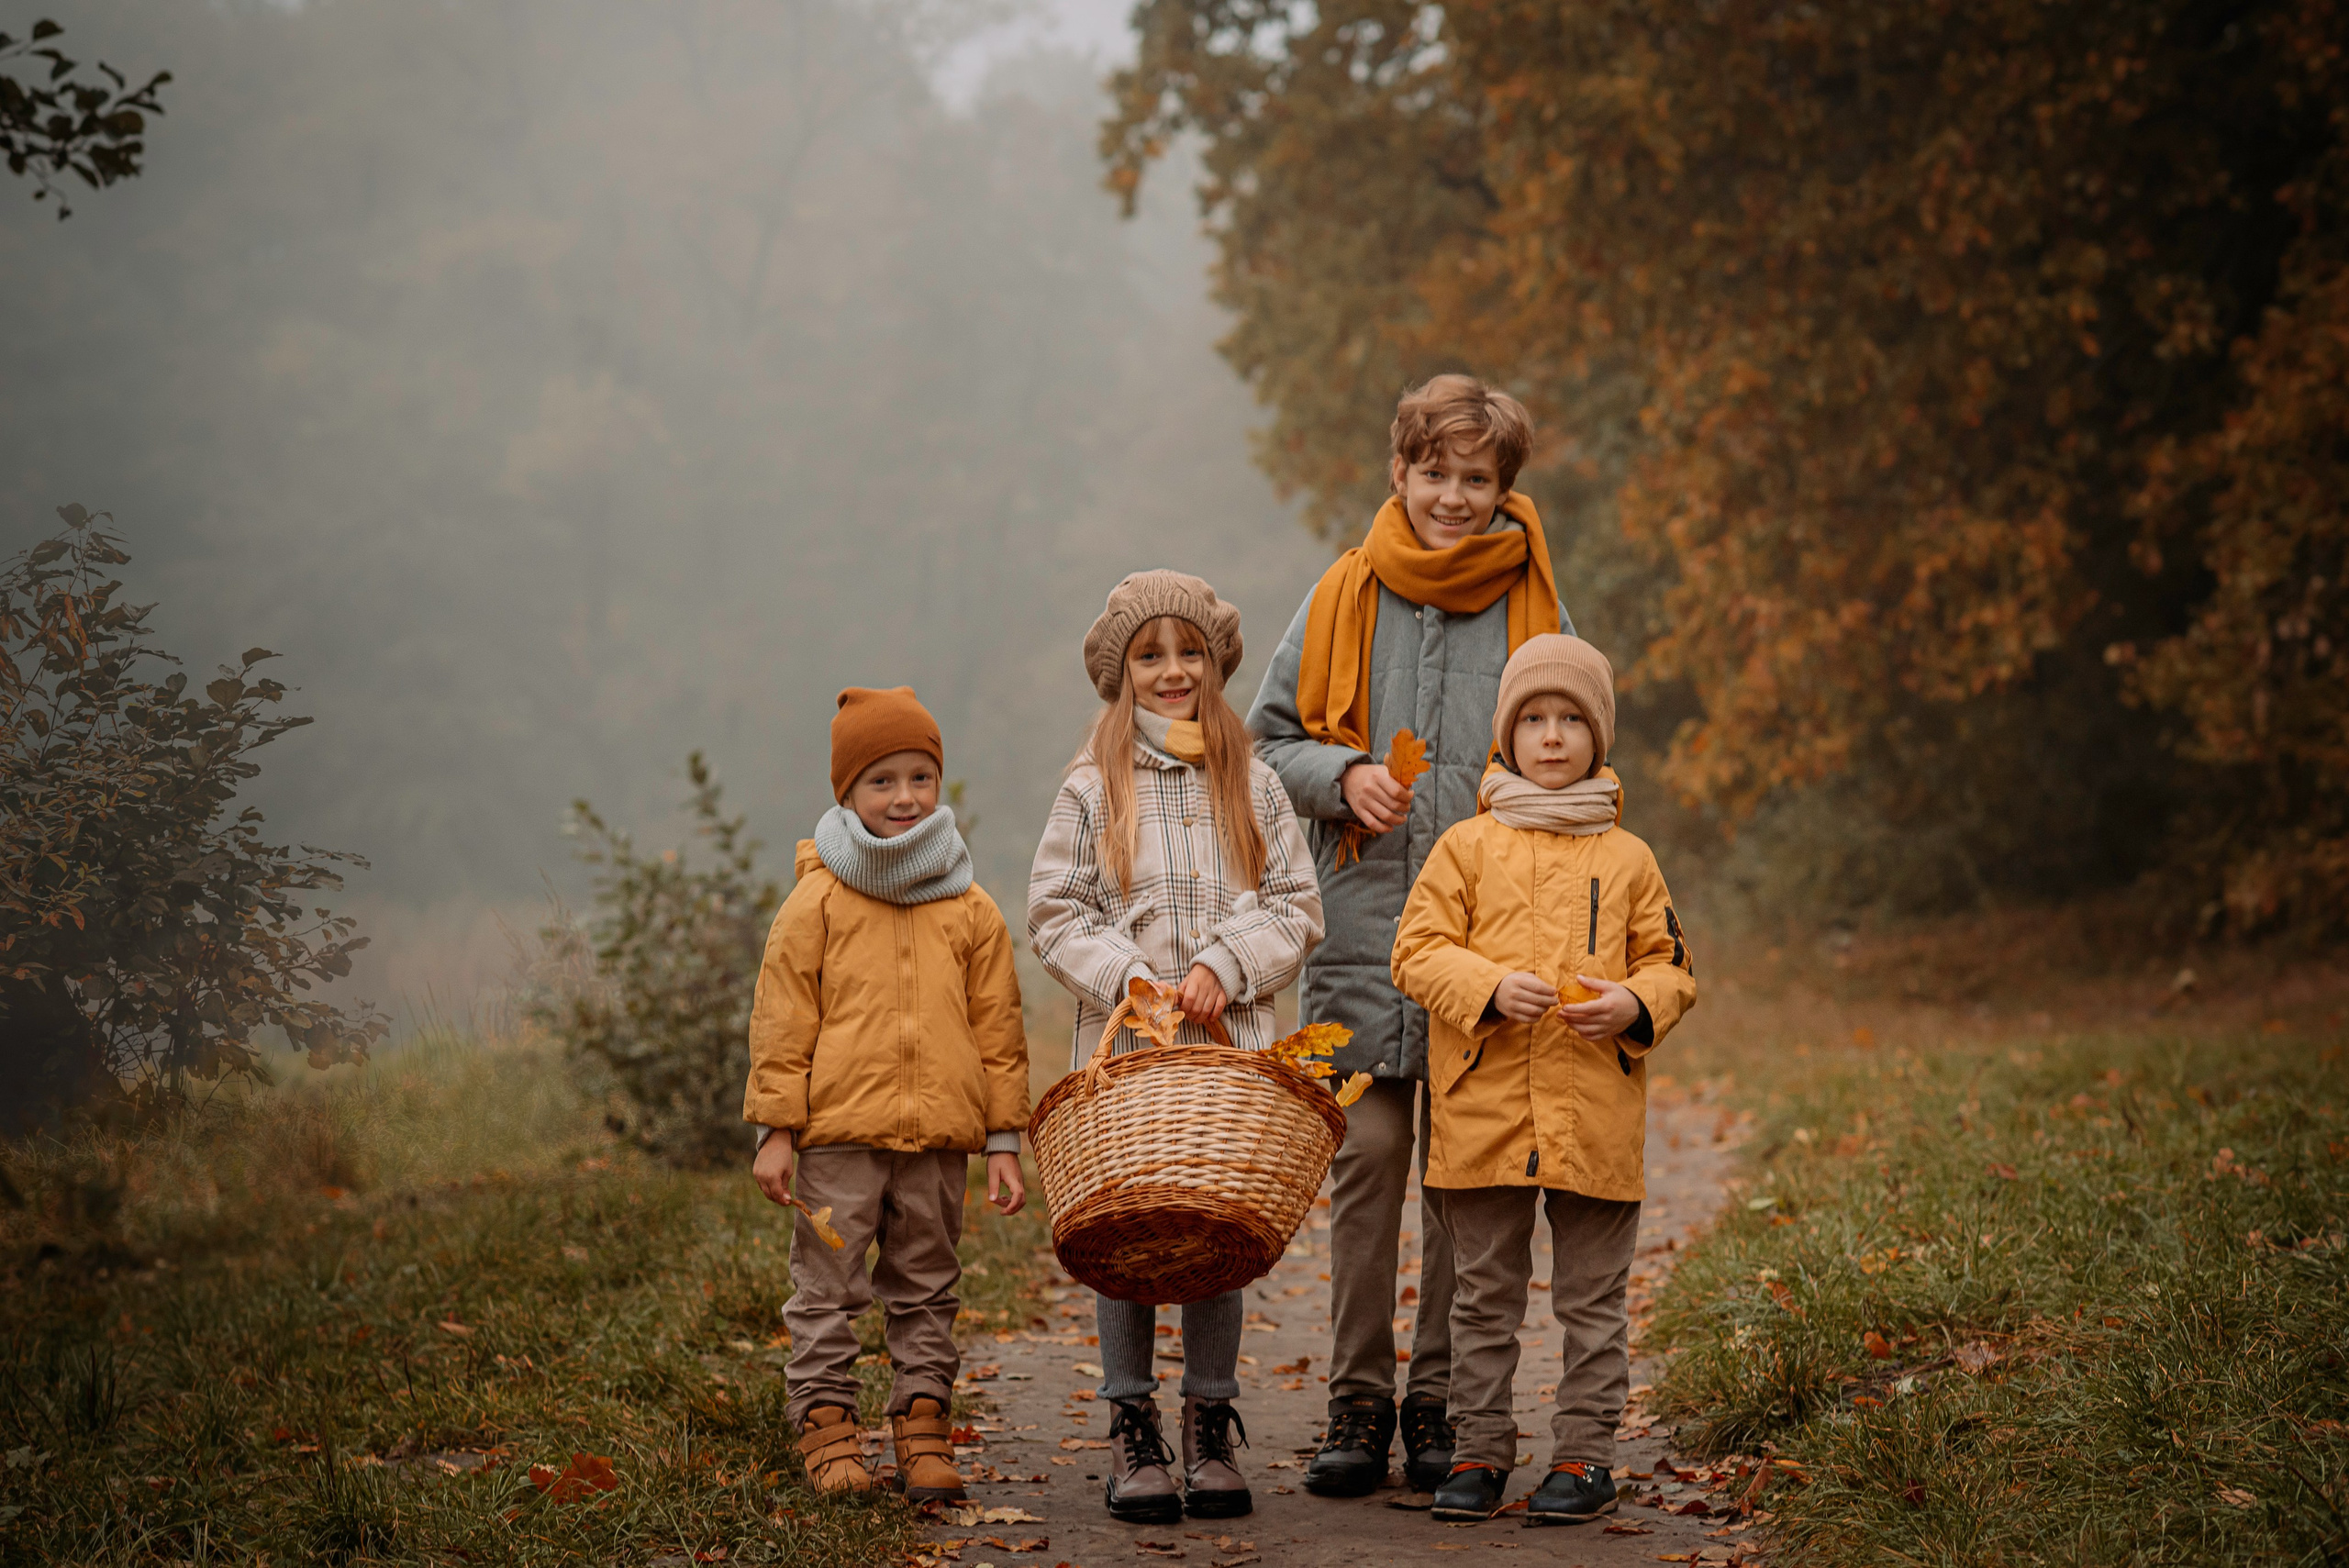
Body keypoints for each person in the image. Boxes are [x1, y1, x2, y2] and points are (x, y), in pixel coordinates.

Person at [1246, 374, 1575, 1496]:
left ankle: (1438, 1400)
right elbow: (1265, 744)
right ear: (1398, 472)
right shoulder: (1341, 593)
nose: (1450, 495)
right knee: (1370, 1155)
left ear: (1502, 488)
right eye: (1431, 472)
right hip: (1356, 938)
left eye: (1473, 478)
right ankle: (1357, 1394)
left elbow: (1571, 739)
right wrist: (1341, 777)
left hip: (1493, 947)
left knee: (1461, 1177)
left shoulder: (1536, 607)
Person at [1030, 570, 1324, 1524]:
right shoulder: (1091, 785)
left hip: (1226, 1053)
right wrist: (1129, 975)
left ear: (1215, 662)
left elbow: (1295, 905)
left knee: (1212, 1225)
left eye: (1187, 652)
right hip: (1127, 1056)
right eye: (1150, 655)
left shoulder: (1255, 781)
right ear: (1121, 671)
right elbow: (1055, 908)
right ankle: (1131, 1425)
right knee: (1127, 1226)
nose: (1171, 670)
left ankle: (1208, 1419)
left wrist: (1228, 965)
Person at [1390, 635, 1697, 1525]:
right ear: (1507, 734)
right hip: (1482, 1114)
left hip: (1592, 1110)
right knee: (1482, 1301)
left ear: (1597, 737)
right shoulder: (1464, 846)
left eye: (1571, 719)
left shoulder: (1629, 857)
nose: (1552, 736)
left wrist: (1633, 1004)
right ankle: (1479, 1447)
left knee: (1590, 1300)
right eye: (1534, 718)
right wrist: (1484, 985)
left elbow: (1673, 966)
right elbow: (1415, 951)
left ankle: (1583, 1454)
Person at [743, 686, 1030, 1503]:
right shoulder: (819, 900)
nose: (904, 797)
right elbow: (783, 1018)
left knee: (928, 1286)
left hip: (937, 1141)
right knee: (827, 1289)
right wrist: (775, 1127)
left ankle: (923, 1430)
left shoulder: (969, 906)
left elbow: (997, 1029)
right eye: (881, 781)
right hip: (836, 1139)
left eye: (920, 777)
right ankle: (829, 1429)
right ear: (846, 792)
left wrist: (1004, 1137)